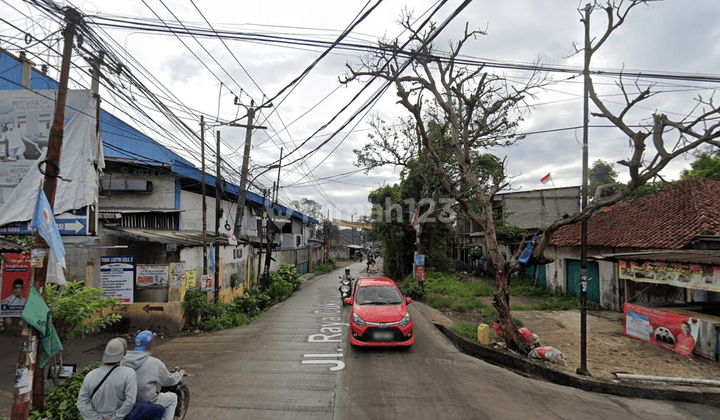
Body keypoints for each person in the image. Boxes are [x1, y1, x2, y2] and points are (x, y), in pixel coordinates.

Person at [122, 330, 184, 420]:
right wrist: (180, 373)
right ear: (150, 344)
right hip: (148, 402)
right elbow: (168, 380)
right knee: (173, 398)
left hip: (126, 401)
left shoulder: (123, 360)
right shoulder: (155, 363)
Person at [77, 338, 137, 420]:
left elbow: (82, 403)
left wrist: (96, 418)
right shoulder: (129, 373)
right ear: (125, 353)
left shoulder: (90, 375)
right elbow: (130, 401)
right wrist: (115, 418)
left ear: (104, 354)